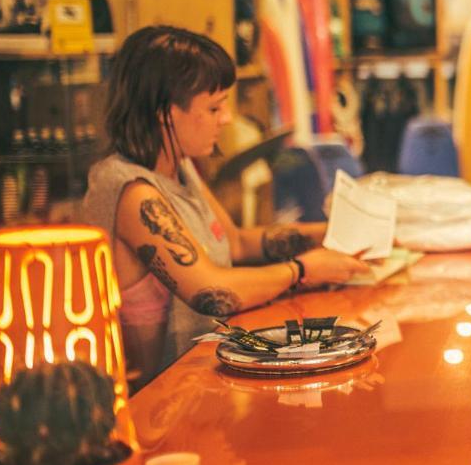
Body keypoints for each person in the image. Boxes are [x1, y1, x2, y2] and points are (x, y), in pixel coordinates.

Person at [84, 25, 368, 388]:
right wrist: (302, 270)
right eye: (214, 107)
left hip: (199, 383)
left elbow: (235, 243)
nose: (227, 118)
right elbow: (211, 292)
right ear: (165, 113)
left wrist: (329, 234)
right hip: (157, 403)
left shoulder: (178, 166)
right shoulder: (133, 192)